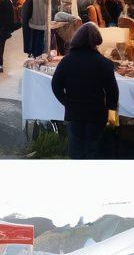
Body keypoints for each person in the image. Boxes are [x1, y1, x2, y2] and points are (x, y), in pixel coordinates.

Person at [51, 23, 120, 159]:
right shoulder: (104, 63)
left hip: (74, 113)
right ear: (96, 42)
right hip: (97, 114)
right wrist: (112, 121)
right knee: (94, 152)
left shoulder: (67, 61)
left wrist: (67, 103)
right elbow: (113, 94)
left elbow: (56, 85)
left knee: (76, 152)